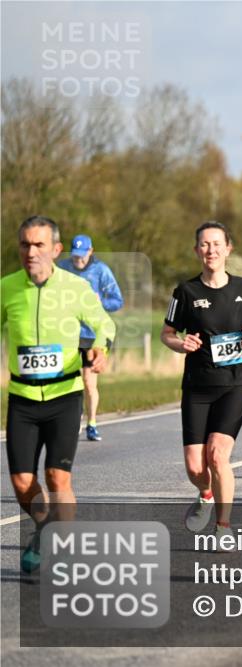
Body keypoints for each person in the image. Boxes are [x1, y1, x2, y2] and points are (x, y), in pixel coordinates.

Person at [2, 216, 116, 572]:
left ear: (55, 249)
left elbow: (104, 324)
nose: (31, 252)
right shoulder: (7, 288)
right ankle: (45, 528)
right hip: (22, 398)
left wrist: (100, 349)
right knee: (22, 482)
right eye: (25, 245)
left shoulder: (75, 288)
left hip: (65, 394)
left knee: (57, 476)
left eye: (38, 245)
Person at [161, 222, 242, 546]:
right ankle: (205, 493)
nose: (211, 250)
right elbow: (166, 334)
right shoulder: (186, 292)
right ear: (197, 251)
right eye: (204, 245)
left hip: (235, 383)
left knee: (217, 455)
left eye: (216, 244)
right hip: (197, 385)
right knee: (196, 466)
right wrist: (180, 344)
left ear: (228, 249)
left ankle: (223, 527)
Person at [56, 235, 123, 442]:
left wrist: (100, 301)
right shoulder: (62, 267)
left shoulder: (101, 271)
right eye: (75, 256)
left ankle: (91, 424)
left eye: (82, 256)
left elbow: (117, 301)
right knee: (66, 381)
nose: (79, 260)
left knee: (88, 381)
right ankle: (71, 421)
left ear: (91, 251)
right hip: (66, 334)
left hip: (91, 336)